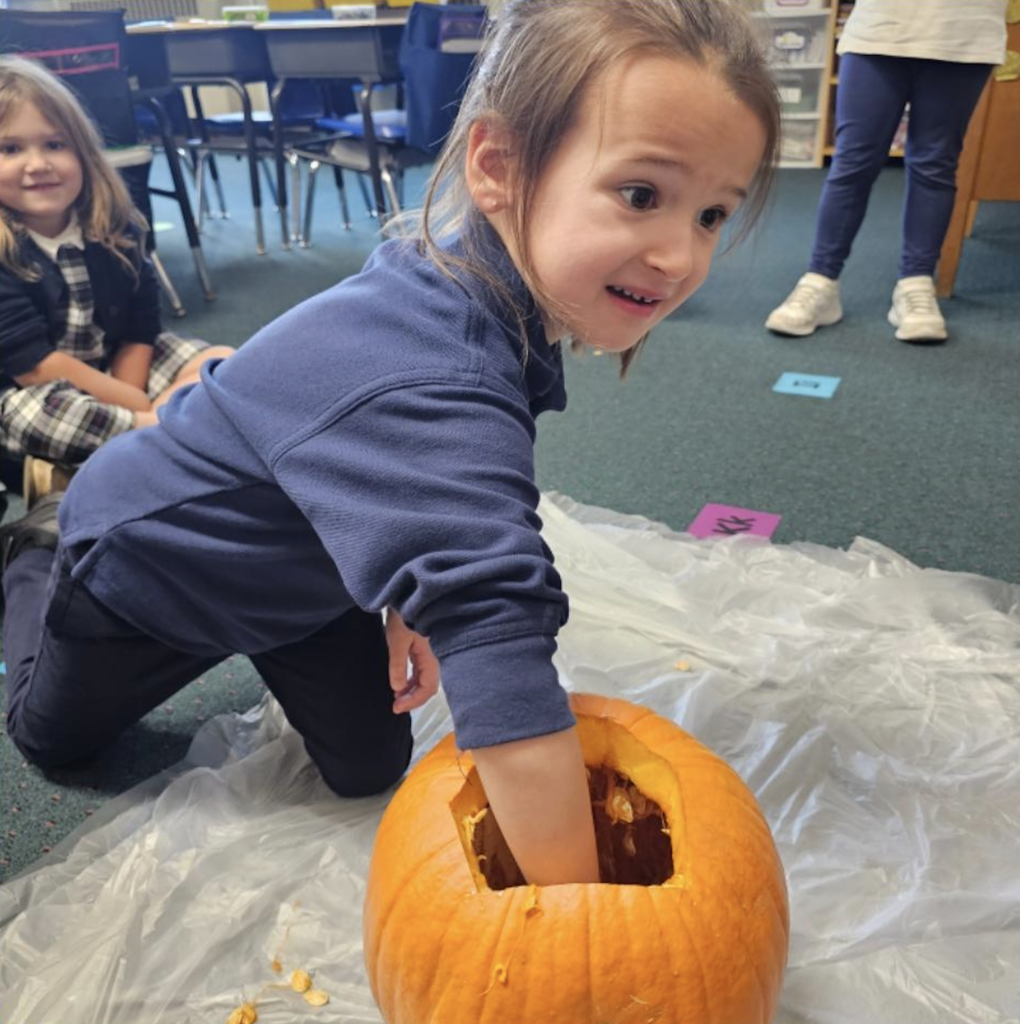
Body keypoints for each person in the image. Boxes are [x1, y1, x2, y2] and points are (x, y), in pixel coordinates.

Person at [0, 0, 779, 886]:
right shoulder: (431, 374)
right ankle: (37, 551)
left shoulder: (470, 274)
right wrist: (578, 907)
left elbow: (418, 485)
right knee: (54, 741)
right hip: (143, 564)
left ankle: (272, 613)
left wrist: (407, 598)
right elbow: (499, 638)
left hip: (302, 572)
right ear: (499, 166)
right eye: (641, 195)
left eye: (713, 214)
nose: (680, 256)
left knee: (368, 768)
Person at [0, 56, 233, 506]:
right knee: (32, 417)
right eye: (10, 150)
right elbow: (34, 366)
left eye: (54, 144)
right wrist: (136, 403)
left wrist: (130, 397)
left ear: (84, 154)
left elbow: (140, 329)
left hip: (113, 370)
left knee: (222, 362)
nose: (37, 164)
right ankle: (170, 436)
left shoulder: (117, 226)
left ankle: (123, 450)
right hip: (33, 388)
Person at [765, 0, 1008, 343]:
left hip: (965, 31)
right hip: (881, 26)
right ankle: (820, 280)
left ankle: (915, 282)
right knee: (852, 162)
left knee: (935, 165)